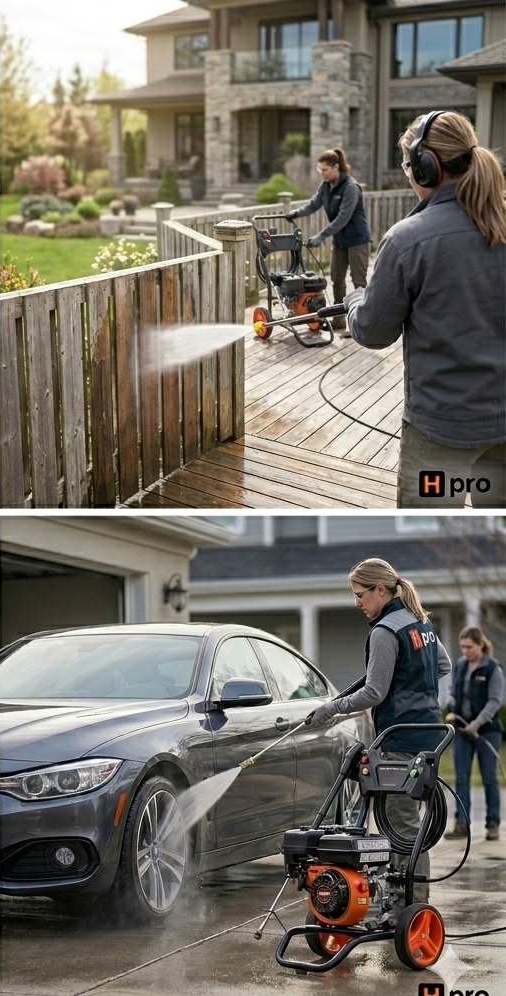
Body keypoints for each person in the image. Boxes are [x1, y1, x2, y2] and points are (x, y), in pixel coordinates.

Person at [342, 111, 506, 508]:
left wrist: (353, 300)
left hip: (440, 435)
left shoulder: (407, 240)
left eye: (407, 165)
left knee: (433, 530)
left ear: (426, 166)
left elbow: (372, 331)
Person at [311, 558, 452, 916]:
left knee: (401, 826)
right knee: (407, 825)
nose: (357, 603)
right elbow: (444, 666)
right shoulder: (421, 622)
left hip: (398, 739)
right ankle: (404, 902)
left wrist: (331, 708)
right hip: (427, 735)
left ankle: (413, 908)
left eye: (360, 595)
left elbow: (373, 692)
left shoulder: (385, 630)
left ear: (380, 589)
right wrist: (414, 681)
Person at [287, 148, 371, 334]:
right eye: (319, 170)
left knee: (358, 282)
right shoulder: (326, 185)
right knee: (337, 280)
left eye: (324, 170)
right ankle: (339, 321)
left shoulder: (350, 187)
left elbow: (343, 218)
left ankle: (361, 324)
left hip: (357, 239)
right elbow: (314, 203)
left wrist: (320, 236)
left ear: (336, 167)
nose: (321, 173)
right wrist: (296, 213)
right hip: (340, 241)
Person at [445, 626, 502, 843]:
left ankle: (493, 824)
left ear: (480, 644)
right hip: (462, 730)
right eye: (462, 647)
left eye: (469, 647)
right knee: (461, 778)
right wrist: (452, 709)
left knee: (489, 778)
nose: (465, 651)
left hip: (487, 732)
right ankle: (461, 824)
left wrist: (477, 724)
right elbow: (453, 693)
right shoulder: (460, 666)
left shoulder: (492, 668)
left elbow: (494, 701)